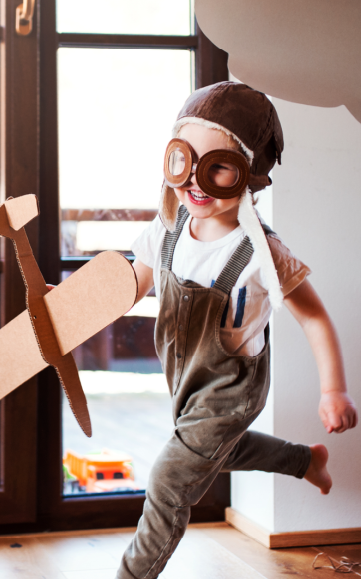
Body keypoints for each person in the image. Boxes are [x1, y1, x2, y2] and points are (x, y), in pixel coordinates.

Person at [114, 82, 358, 579]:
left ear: (251, 176)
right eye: (187, 160)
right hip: (186, 374)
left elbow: (313, 316)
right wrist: (75, 305)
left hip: (231, 385)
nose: (197, 181)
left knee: (170, 476)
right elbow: (134, 282)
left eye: (219, 166)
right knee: (211, 450)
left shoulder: (260, 252)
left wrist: (333, 390)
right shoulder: (168, 227)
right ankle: (302, 461)